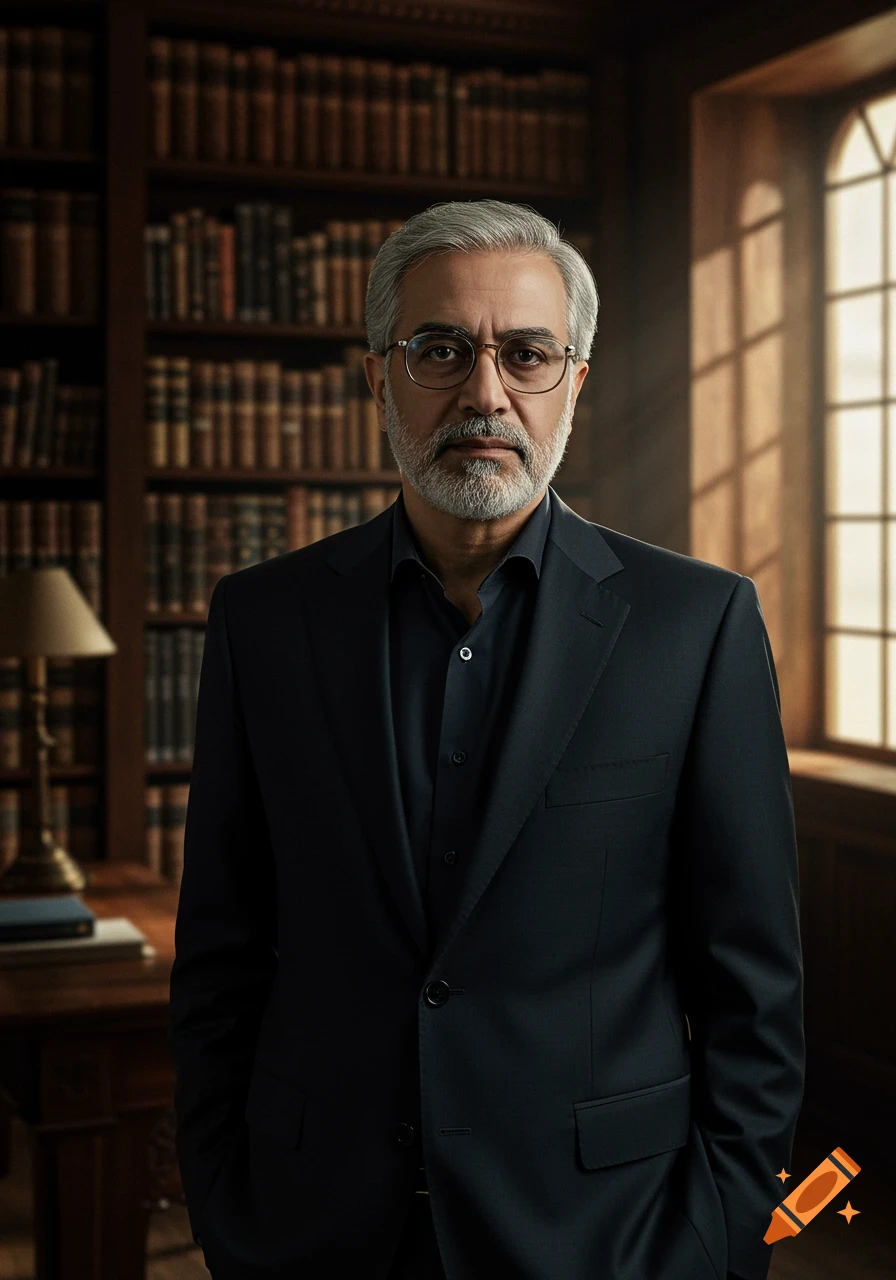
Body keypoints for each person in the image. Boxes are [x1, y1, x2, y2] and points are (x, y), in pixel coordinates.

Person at [168, 198, 804, 1280]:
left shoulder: (695, 624)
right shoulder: (262, 620)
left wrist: (713, 1235)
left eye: (526, 353)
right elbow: (222, 953)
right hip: (311, 1227)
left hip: (608, 1238)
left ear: (575, 385)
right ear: (377, 374)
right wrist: (226, 1200)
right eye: (440, 349)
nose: (484, 393)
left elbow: (751, 985)